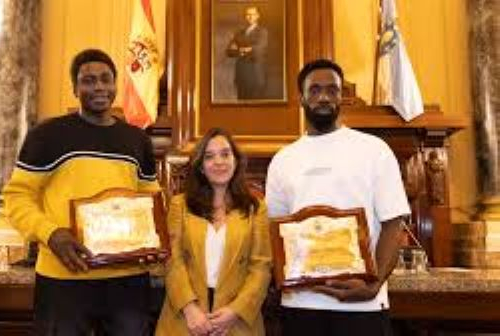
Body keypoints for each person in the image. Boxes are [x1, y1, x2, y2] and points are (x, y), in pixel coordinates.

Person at [3, 48, 161, 336]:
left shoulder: (137, 140)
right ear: (75, 88)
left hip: (127, 279)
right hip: (65, 274)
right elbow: (16, 197)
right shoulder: (47, 135)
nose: (99, 87)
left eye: (106, 79)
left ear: (116, 85)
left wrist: (155, 241)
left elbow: (151, 200)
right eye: (88, 81)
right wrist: (52, 234)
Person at [265, 59, 410, 336]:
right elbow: (276, 231)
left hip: (362, 305)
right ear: (301, 98)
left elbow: (394, 222)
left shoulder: (374, 150)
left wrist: (373, 283)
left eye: (332, 90)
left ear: (342, 96)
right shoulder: (283, 160)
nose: (324, 96)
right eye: (315, 89)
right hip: (301, 303)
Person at [156, 127, 272, 336]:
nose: (219, 162)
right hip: (185, 317)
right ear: (201, 167)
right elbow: (173, 260)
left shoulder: (256, 207)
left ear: (235, 161)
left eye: (225, 154)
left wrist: (236, 311)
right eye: (209, 157)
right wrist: (190, 309)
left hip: (237, 319)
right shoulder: (179, 205)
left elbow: (261, 267)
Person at [226, 6, 268, 100]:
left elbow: (259, 49)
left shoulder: (262, 32)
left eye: (252, 14)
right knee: (241, 107)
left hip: (255, 76)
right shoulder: (239, 33)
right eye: (247, 15)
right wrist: (245, 50)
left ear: (257, 16)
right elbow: (229, 51)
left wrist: (239, 49)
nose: (249, 17)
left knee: (255, 108)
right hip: (241, 75)